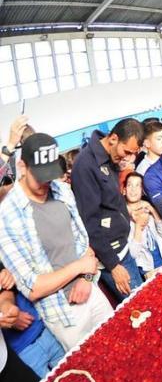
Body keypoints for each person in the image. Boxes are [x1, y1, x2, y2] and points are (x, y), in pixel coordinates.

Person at [0, 134, 111, 352]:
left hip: (91, 289)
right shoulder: (6, 217)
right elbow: (33, 288)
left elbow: (85, 246)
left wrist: (87, 278)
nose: (45, 182)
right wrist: (79, 268)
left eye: (50, 175)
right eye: (40, 176)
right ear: (22, 166)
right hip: (64, 313)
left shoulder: (62, 191)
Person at [70, 119, 144, 302]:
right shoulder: (86, 165)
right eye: (126, 151)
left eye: (132, 154)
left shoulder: (110, 156)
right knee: (140, 307)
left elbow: (110, 200)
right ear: (113, 138)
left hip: (122, 246)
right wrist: (114, 265)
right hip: (112, 256)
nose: (127, 158)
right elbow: (89, 221)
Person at [121, 171, 162, 280]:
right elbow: (133, 254)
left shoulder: (148, 208)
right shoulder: (122, 218)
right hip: (149, 269)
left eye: (137, 186)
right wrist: (138, 227)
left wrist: (152, 210)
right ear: (124, 190)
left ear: (142, 191)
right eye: (130, 185)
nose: (133, 189)